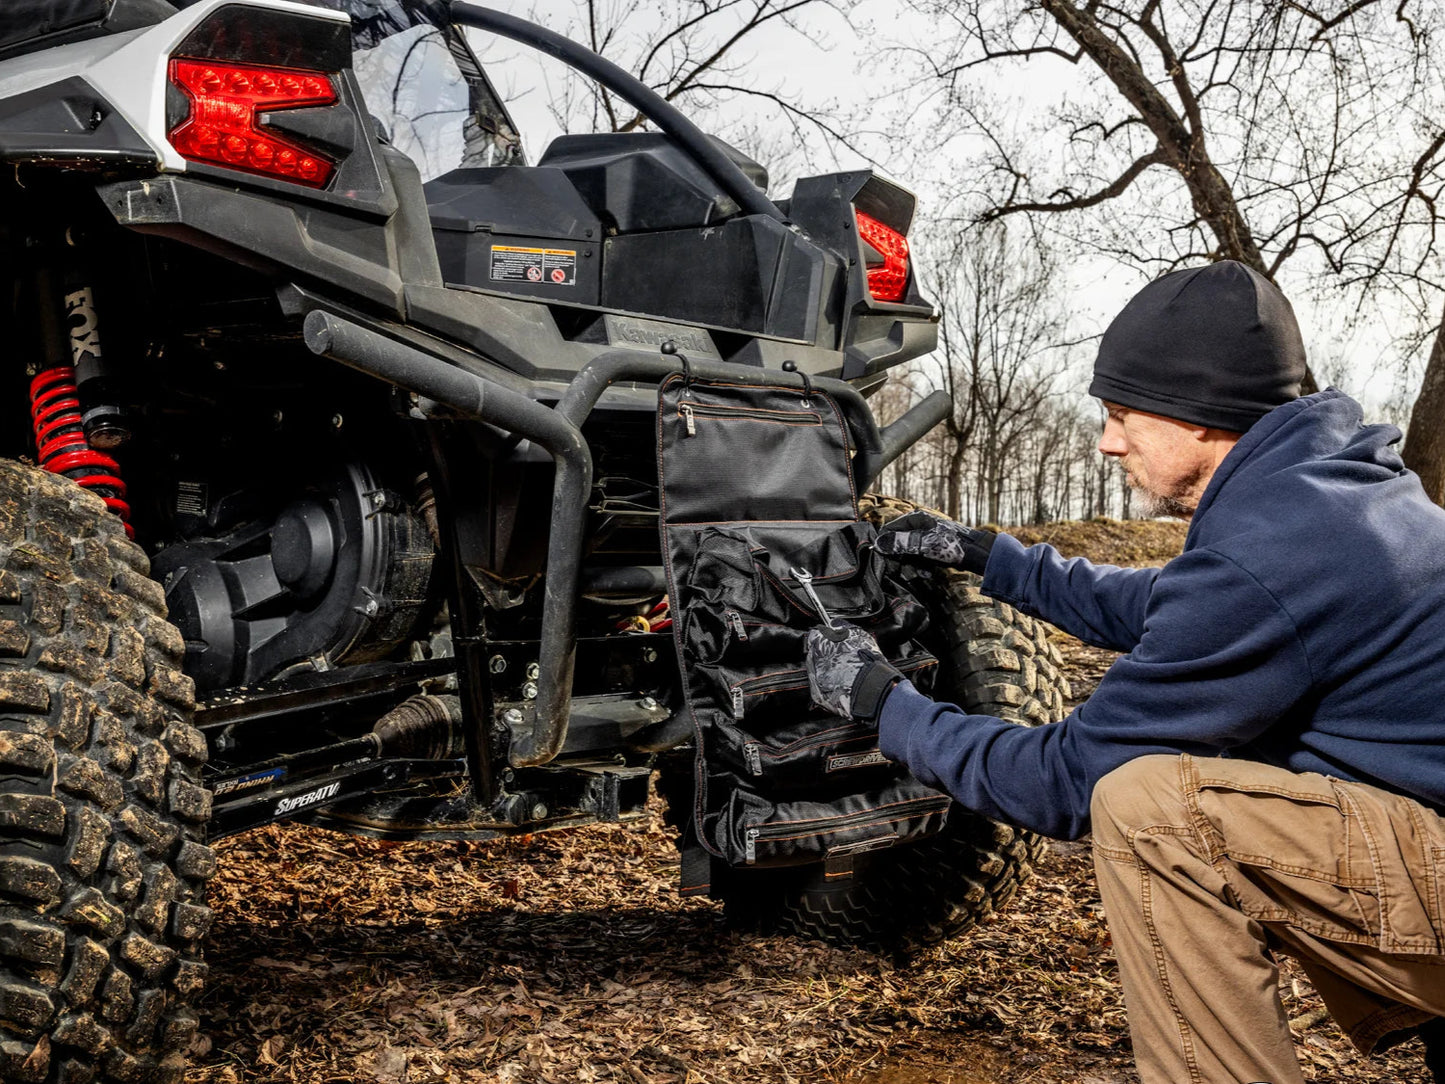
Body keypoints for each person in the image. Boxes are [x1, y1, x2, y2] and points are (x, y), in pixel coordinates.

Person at [803, 260, 1445, 1084]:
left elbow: (1067, 781)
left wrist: (882, 705)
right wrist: (988, 556)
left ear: (1201, 416)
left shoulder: (1269, 554)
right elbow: (1177, 605)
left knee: (1150, 812)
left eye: (1121, 415)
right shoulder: (1336, 498)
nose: (1108, 442)